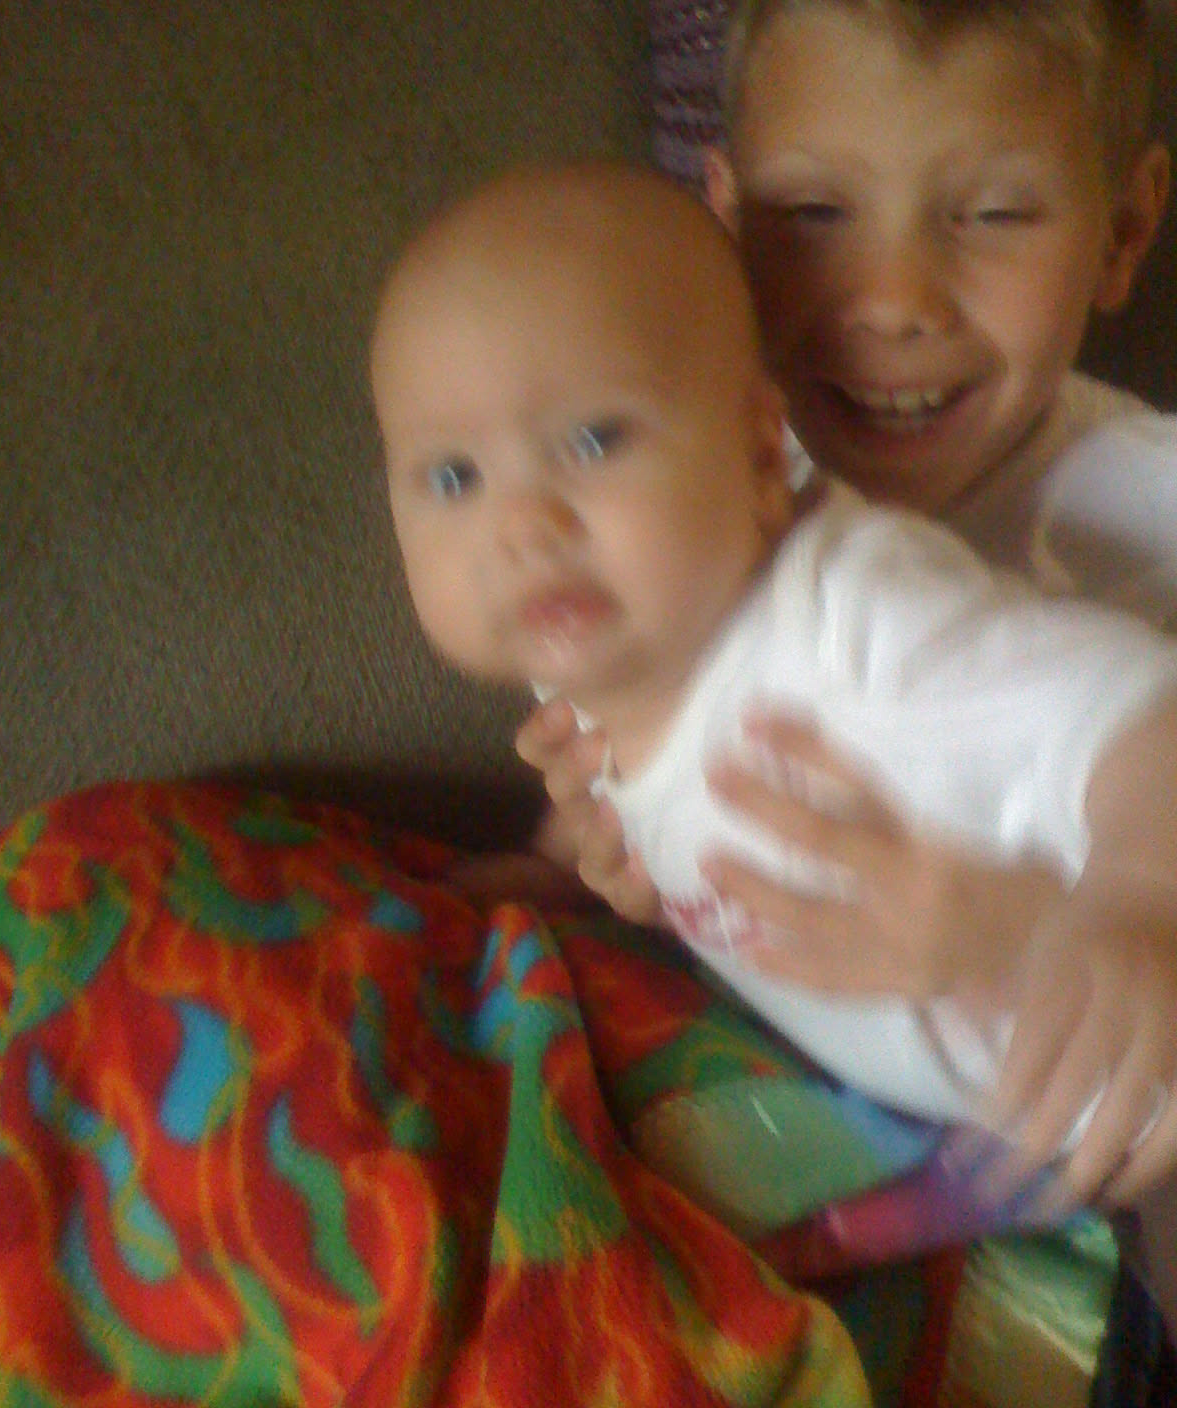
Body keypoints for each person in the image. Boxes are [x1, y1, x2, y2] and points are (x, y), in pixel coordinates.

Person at [517, 0, 1177, 1391]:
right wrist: (595, 849)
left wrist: (1071, 923)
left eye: (994, 213)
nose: (889, 300)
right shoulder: (694, 506)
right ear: (722, 211)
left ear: (1123, 231)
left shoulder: (1144, 508)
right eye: (814, 215)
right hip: (855, 1138)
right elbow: (659, 778)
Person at [370, 155, 1177, 1154]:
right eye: (454, 477)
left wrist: (1143, 896)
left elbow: (1148, 709)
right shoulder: (595, 651)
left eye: (593, 442)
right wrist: (565, 866)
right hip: (1045, 1130)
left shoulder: (854, 617)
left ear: (760, 454)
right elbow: (631, 794)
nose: (522, 526)